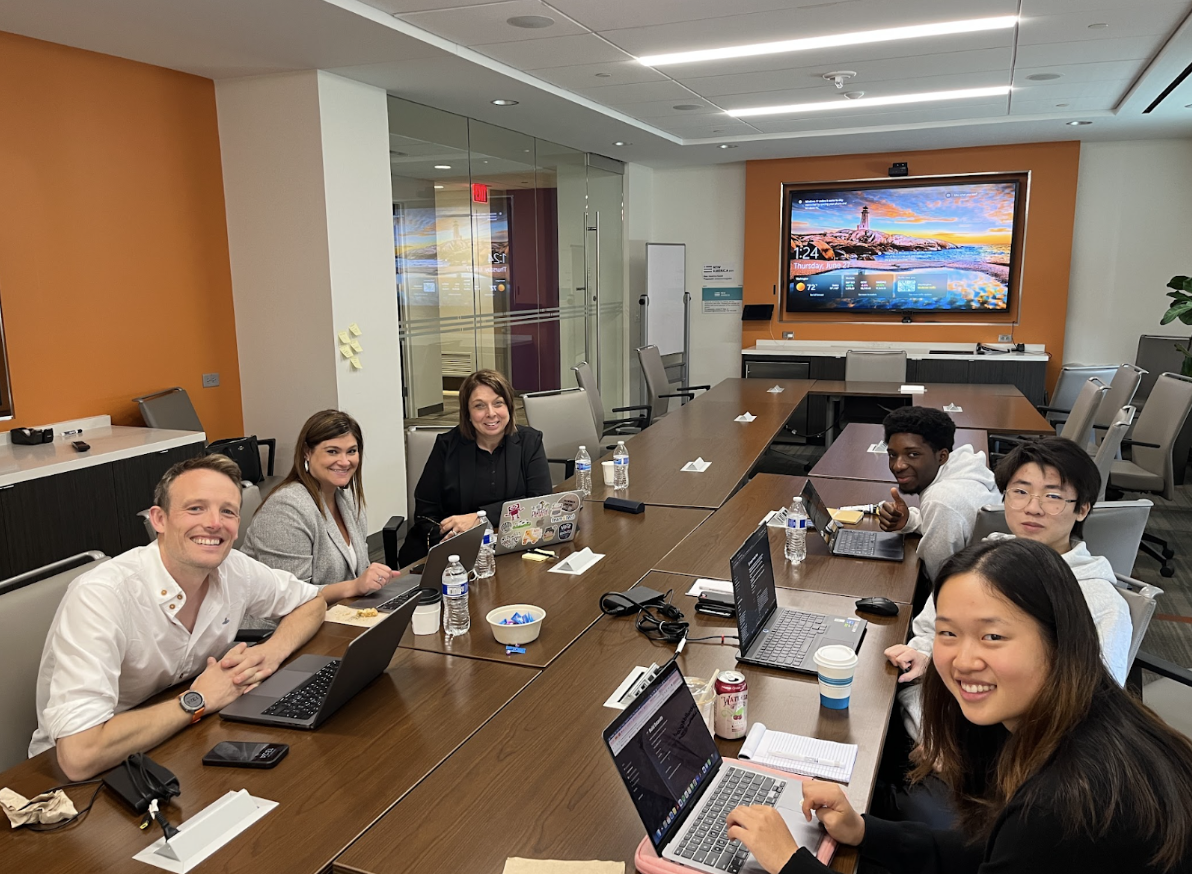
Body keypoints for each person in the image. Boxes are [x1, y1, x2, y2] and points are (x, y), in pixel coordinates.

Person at [726, 538, 1192, 874]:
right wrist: (865, 831)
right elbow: (990, 849)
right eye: (948, 633)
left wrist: (790, 863)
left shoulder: (1065, 803)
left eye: (993, 636)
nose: (963, 660)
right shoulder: (1088, 717)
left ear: (1059, 640)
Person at [30, 454, 387, 780]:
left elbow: (311, 603)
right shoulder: (102, 595)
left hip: (179, 739)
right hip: (80, 776)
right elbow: (79, 755)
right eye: (196, 509)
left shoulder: (234, 568)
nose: (214, 524)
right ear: (159, 519)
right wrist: (197, 700)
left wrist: (270, 653)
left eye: (228, 512)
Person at [886, 436, 1132, 740]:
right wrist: (922, 653)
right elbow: (930, 629)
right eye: (1019, 492)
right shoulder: (984, 559)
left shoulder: (1099, 601)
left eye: (1052, 497)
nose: (1032, 508)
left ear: (1082, 509)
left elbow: (1090, 711)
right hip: (936, 712)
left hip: (1012, 750)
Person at [398, 369, 552, 566]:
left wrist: (479, 519)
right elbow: (425, 511)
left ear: (509, 407)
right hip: (455, 553)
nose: (491, 413)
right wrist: (451, 535)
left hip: (514, 548)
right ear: (467, 413)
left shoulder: (529, 442)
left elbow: (540, 502)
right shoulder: (447, 447)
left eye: (498, 403)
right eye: (479, 406)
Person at [242, 410, 398, 594]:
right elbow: (290, 597)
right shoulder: (285, 509)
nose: (344, 461)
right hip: (284, 621)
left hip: (338, 613)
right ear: (307, 452)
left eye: (352, 451)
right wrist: (355, 587)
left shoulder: (347, 498)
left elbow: (358, 570)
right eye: (332, 451)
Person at [877, 407, 998, 581]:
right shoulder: (966, 467)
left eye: (913, 454)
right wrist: (909, 520)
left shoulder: (942, 499)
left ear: (942, 456)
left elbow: (939, 579)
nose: (898, 465)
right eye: (892, 455)